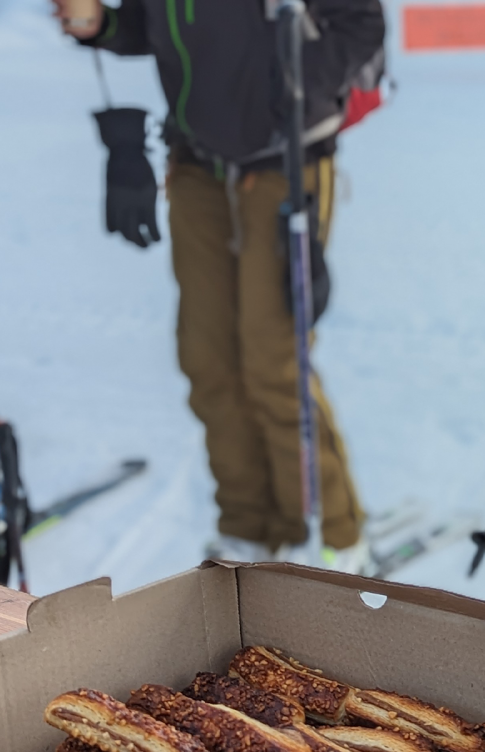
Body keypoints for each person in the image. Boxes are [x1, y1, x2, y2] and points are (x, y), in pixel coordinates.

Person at [51, 0, 385, 572]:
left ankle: (332, 534)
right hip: (198, 168)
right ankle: (251, 526)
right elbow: (155, 27)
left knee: (274, 359)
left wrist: (282, 97)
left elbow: (361, 23)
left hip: (286, 163)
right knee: (207, 358)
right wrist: (99, 23)